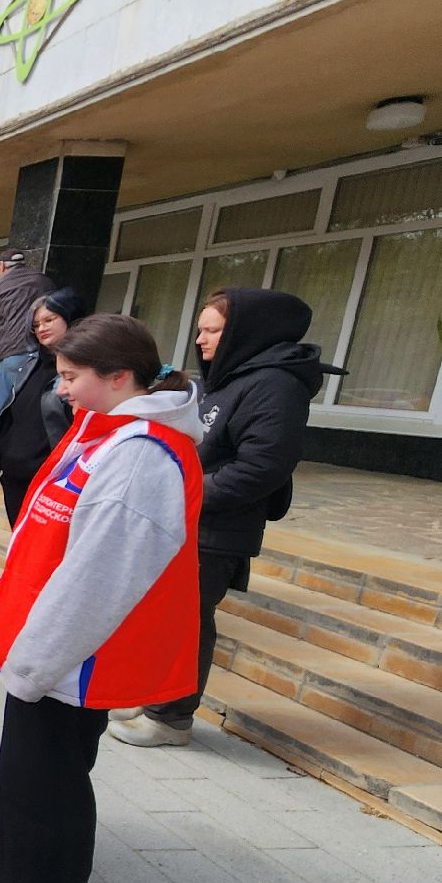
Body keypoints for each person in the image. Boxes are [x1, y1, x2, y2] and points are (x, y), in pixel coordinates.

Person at [0, 313, 204, 883]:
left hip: (73, 655)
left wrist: (37, 662)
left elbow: (99, 578)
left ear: (119, 377)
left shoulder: (142, 458)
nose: (60, 388)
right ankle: (17, 855)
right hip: (53, 646)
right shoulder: (111, 430)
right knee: (37, 769)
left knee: (53, 779)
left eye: (72, 377)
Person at [109, 288, 342, 749]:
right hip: (186, 519)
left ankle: (171, 717)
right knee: (160, 618)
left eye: (212, 330)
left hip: (216, 529)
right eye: (201, 330)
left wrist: (184, 493)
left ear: (244, 333)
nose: (200, 340)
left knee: (189, 621)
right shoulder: (232, 376)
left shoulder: (275, 386)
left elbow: (264, 467)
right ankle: (150, 696)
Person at [0, 288, 80, 525]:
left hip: (48, 481)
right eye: (36, 325)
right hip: (14, 477)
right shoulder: (27, 365)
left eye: (49, 320)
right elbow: (8, 420)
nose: (42, 328)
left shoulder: (82, 373)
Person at [0, 249, 56, 405]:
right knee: (33, 407)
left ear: (1, 266)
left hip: (11, 353)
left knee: (5, 411)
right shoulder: (45, 282)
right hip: (44, 355)